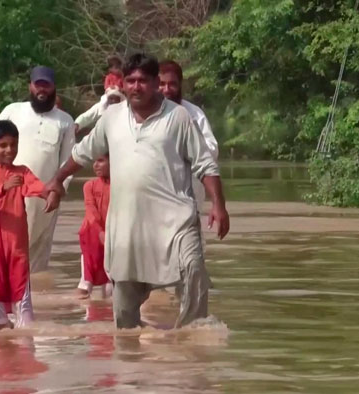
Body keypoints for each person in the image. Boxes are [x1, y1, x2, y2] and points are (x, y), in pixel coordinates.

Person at [44, 53, 230, 329]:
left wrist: (218, 205)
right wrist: (58, 179)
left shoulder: (178, 117)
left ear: (156, 83)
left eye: (143, 80)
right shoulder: (111, 118)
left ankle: (192, 338)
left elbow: (205, 163)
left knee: (193, 270)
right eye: (130, 81)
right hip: (128, 225)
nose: (135, 86)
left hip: (176, 221)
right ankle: (132, 358)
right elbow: (82, 153)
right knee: (125, 309)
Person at [0, 66, 75, 273]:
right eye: (38, 85)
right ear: (30, 86)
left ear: (54, 87)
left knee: (36, 253)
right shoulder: (14, 110)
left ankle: (34, 297)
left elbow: (68, 163)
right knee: (3, 245)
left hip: (44, 197)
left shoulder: (65, 121)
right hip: (7, 192)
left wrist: (57, 190)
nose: (41, 90)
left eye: (46, 85)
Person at [0, 121, 60, 329]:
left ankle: (26, 333)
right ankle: (1, 329)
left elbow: (36, 186)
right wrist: (2, 188)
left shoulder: (21, 172)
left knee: (21, 283)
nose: (9, 150)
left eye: (13, 144)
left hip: (16, 241)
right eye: (3, 145)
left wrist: (51, 194)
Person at [159, 60, 219, 216]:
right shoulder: (142, 115)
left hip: (188, 199)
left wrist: (186, 149)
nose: (166, 89)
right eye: (161, 84)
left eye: (172, 84)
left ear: (180, 85)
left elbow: (212, 151)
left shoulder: (193, 113)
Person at [76, 155, 111, 299]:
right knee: (86, 284)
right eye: (94, 161)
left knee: (111, 287)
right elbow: (91, 211)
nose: (95, 165)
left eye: (101, 161)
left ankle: (104, 317)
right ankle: (84, 315)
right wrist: (100, 232)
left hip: (113, 235)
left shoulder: (121, 186)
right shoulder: (89, 185)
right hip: (91, 236)